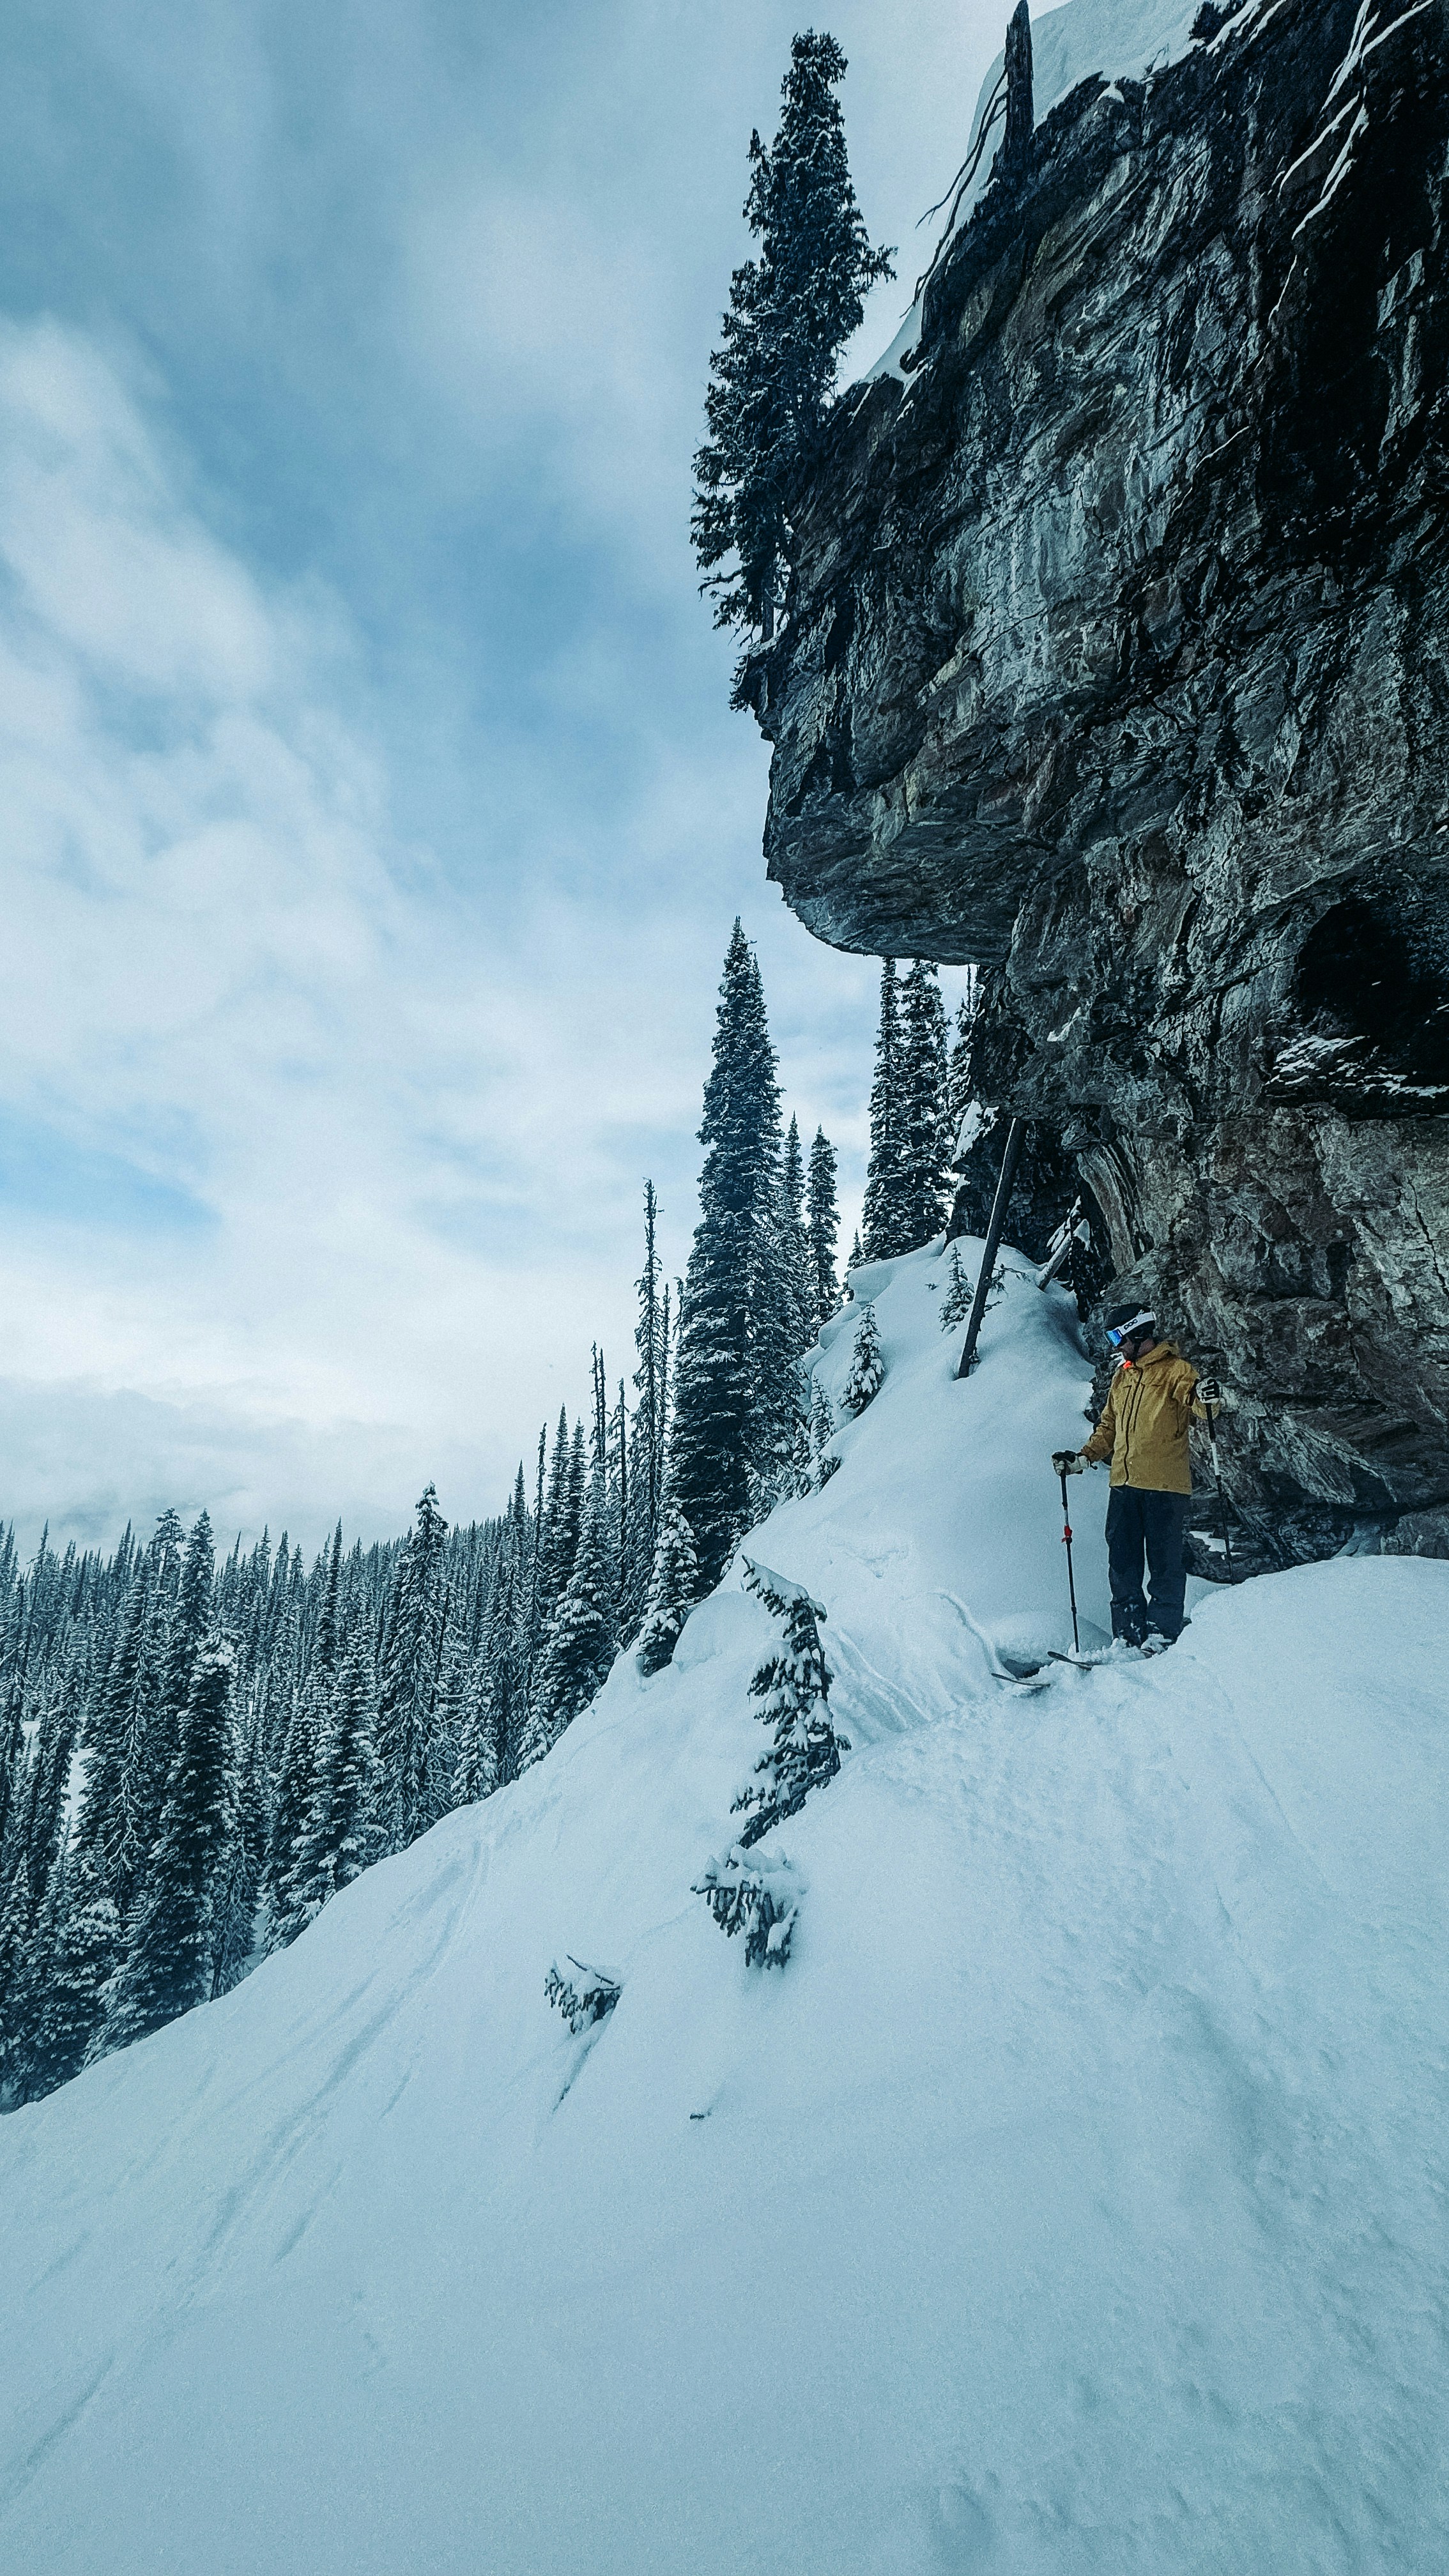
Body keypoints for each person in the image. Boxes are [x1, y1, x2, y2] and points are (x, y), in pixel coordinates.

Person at [1052, 1305, 1221, 1653]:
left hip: (1164, 1487)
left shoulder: (1176, 1370)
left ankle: (1161, 1634)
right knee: (1122, 1563)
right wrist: (1082, 1459)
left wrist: (1210, 1396)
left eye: (1118, 1337)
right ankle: (1128, 1636)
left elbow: (1202, 1407)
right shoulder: (1123, 1377)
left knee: (1164, 1562)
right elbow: (1108, 1427)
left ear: (1138, 1334)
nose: (1115, 1346)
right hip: (1124, 1486)